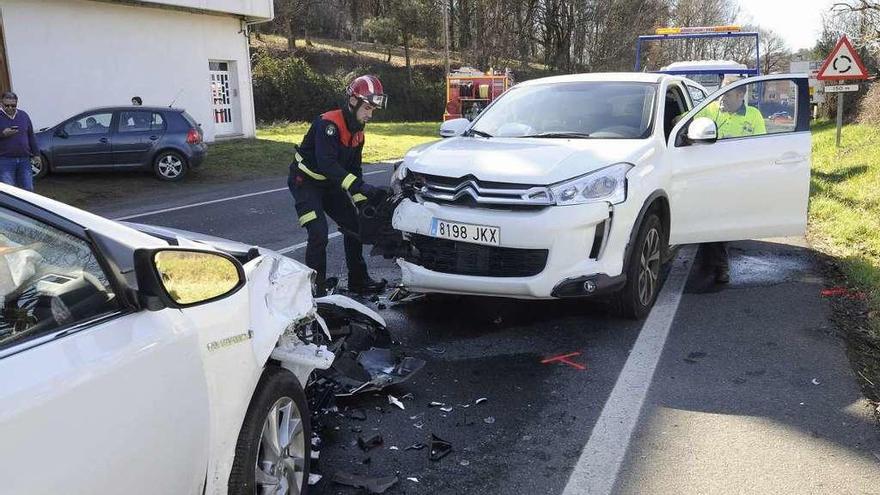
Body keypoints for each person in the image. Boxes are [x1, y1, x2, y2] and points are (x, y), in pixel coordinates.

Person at [289, 75, 389, 296]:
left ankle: (358, 280)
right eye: (367, 108)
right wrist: (364, 188)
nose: (370, 114)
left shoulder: (358, 134)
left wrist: (363, 203)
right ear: (353, 101)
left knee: (355, 227)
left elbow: (354, 170)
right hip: (305, 183)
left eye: (373, 109)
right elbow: (328, 165)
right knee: (318, 233)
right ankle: (315, 288)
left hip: (330, 186)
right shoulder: (328, 124)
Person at [697, 75, 767, 284]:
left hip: (736, 177)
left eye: (726, 95)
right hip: (706, 174)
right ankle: (713, 264)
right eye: (720, 94)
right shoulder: (710, 110)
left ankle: (718, 266)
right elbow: (687, 120)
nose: (722, 99)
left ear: (740, 95)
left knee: (717, 221)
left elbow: (761, 146)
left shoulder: (754, 116)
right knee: (710, 219)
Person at [0, 92, 40, 191]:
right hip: (5, 161)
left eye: (13, 105)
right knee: (10, 191)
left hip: (24, 160)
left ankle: (28, 207)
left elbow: (31, 135)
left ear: (17, 104)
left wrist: (36, 154)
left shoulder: (23, 115)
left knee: (28, 189)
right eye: (6, 105)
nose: (10, 108)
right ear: (1, 103)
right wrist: (2, 134)